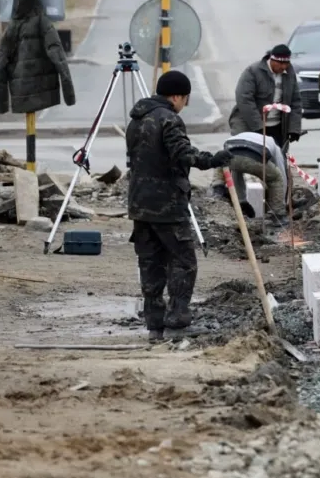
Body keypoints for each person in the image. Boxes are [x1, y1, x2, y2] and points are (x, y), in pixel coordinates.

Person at [126, 70, 233, 343]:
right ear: (176, 96)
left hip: (140, 204)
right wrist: (214, 159)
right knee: (183, 262)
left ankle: (154, 324)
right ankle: (177, 320)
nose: (184, 104)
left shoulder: (136, 121)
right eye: (185, 98)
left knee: (150, 263)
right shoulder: (169, 120)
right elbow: (184, 155)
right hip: (168, 205)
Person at [228, 44, 304, 151]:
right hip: (249, 124)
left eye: (286, 63)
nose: (283, 67)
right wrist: (258, 126)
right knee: (248, 157)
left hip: (276, 126)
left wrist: (294, 129)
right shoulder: (253, 71)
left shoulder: (289, 73)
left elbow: (295, 102)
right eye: (280, 63)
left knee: (278, 160)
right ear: (271, 60)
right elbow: (244, 99)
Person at [222, 131, 290, 221]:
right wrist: (283, 202)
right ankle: (277, 214)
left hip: (230, 148)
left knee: (237, 168)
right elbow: (281, 176)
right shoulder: (276, 148)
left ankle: (241, 203)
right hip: (252, 153)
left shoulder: (262, 139)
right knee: (276, 178)